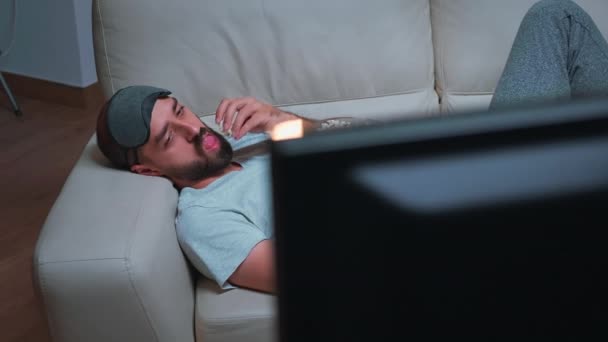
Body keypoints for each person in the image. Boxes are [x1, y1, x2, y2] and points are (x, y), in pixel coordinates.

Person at [96, 0, 608, 294]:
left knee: (554, 16)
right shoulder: (205, 217)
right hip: (454, 222)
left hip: (452, 167)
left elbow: (348, 140)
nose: (193, 129)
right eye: (170, 137)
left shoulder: (246, 139)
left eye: (181, 110)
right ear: (146, 170)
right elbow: (309, 275)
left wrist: (282, 121)